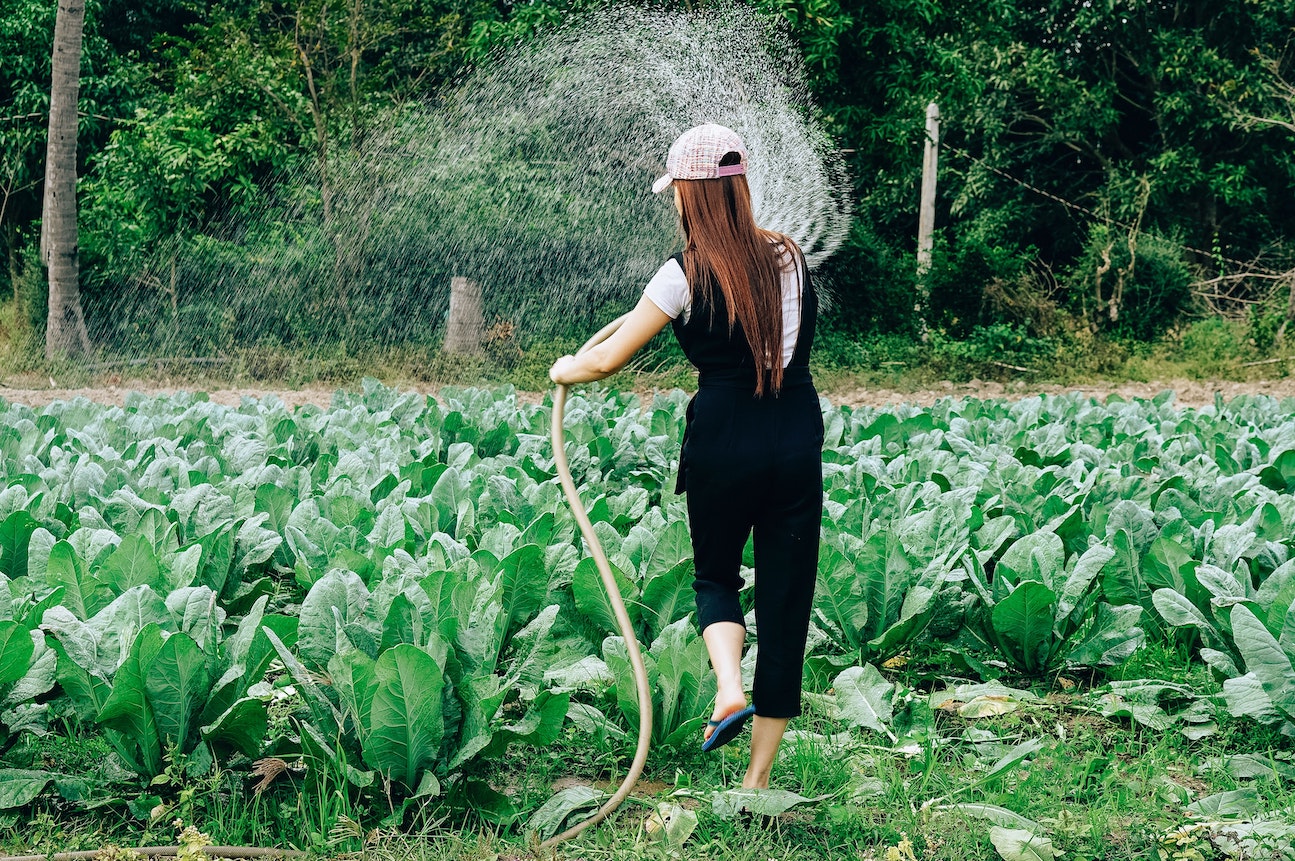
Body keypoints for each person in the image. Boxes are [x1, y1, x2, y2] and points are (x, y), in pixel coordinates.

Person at [549, 123, 822, 791]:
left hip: (724, 438)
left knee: (715, 576)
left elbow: (608, 357)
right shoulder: (788, 255)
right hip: (792, 434)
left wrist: (565, 368)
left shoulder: (682, 274)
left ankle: (728, 687)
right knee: (786, 601)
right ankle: (755, 782)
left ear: (692, 197)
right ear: (740, 188)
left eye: (676, 193)